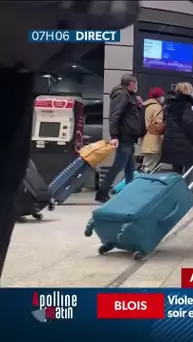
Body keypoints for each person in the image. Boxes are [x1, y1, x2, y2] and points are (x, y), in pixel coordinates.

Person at [0, 1, 140, 280]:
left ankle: (115, 193)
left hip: (17, 71)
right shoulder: (122, 96)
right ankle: (105, 193)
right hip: (13, 68)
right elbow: (117, 13)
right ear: (130, 83)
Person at [95, 74, 143, 203]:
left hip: (129, 137)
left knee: (129, 167)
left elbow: (129, 114)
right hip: (124, 136)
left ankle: (130, 192)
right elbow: (115, 115)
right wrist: (114, 136)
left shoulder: (128, 96)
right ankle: (102, 193)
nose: (137, 87)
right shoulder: (121, 95)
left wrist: (138, 106)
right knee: (118, 165)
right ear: (132, 84)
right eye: (136, 84)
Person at [160, 82, 193, 183]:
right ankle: (186, 192)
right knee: (189, 169)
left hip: (170, 140)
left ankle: (175, 193)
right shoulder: (186, 104)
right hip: (183, 142)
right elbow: (187, 122)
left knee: (175, 171)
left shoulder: (168, 104)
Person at [140, 87, 165, 170]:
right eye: (161, 96)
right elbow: (158, 125)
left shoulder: (144, 105)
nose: (163, 98)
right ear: (158, 97)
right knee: (150, 167)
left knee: (145, 164)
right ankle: (141, 181)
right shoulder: (157, 107)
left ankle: (139, 180)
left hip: (145, 139)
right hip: (154, 141)